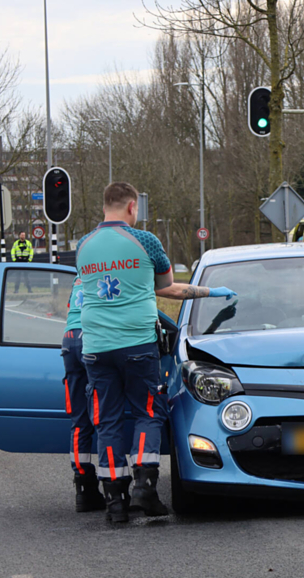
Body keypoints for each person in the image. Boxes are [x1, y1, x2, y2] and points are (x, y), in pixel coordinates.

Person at [77, 182, 236, 524]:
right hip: (136, 343)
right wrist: (210, 292)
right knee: (149, 411)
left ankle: (114, 500)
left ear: (105, 206)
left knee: (107, 419)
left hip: (95, 347)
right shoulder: (145, 241)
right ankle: (145, 486)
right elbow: (168, 287)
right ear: (132, 207)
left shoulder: (83, 245)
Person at [62, 275, 104, 513]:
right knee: (106, 418)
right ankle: (114, 488)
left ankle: (83, 487)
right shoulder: (105, 270)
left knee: (79, 421)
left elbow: (70, 309)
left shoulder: (78, 278)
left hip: (68, 340)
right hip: (91, 337)